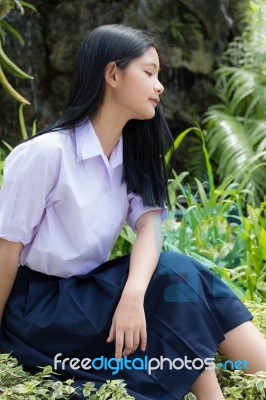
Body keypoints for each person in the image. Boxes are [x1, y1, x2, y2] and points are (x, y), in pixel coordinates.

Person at [0, 24, 265, 400]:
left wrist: (132, 296)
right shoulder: (47, 155)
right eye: (149, 72)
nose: (160, 86)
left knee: (182, 277)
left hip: (85, 295)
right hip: (40, 310)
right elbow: (6, 252)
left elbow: (150, 228)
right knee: (176, 274)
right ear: (112, 74)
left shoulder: (130, 157)